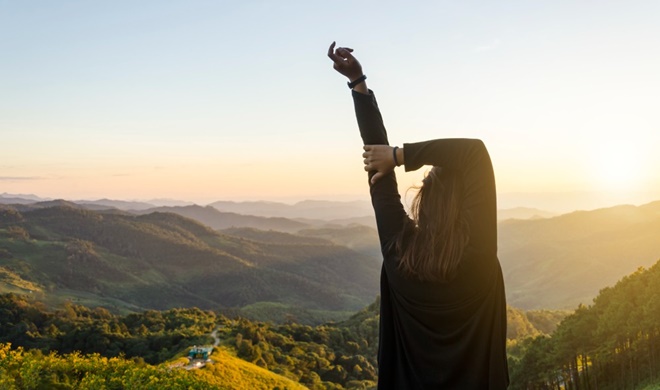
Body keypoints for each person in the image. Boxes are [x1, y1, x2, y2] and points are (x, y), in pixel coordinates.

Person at [327, 42, 509, 389]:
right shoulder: (478, 257)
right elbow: (473, 152)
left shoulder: (399, 254)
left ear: (427, 199)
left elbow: (376, 170)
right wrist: (400, 155)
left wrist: (358, 84)